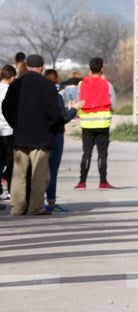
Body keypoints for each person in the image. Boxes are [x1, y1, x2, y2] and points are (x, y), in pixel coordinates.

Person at [1, 55, 62, 215]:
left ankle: (17, 207)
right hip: (41, 138)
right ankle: (35, 208)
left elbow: (5, 106)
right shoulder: (48, 85)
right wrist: (51, 129)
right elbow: (54, 113)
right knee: (39, 175)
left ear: (27, 66)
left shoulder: (16, 84)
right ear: (42, 67)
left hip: (20, 136)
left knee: (19, 175)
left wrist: (15, 124)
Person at [75, 57, 116, 190]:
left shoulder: (81, 84)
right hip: (103, 123)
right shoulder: (107, 84)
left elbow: (78, 102)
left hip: (86, 124)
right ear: (102, 69)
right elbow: (113, 104)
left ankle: (82, 182)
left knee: (86, 153)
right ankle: (103, 182)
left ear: (89, 68)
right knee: (102, 153)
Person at [43, 69, 80, 214]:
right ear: (56, 80)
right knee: (52, 170)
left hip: (41, 135)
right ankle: (51, 202)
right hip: (56, 135)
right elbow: (62, 118)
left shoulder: (40, 95)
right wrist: (74, 109)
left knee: (39, 170)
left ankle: (35, 201)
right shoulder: (56, 96)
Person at [0, 64, 15, 202]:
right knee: (11, 163)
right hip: (9, 130)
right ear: (12, 77)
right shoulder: (12, 91)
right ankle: (11, 190)